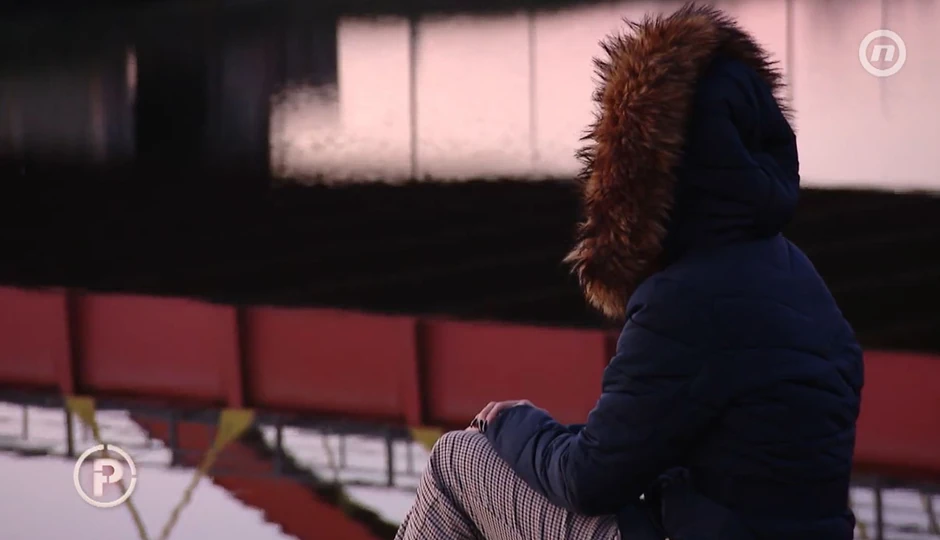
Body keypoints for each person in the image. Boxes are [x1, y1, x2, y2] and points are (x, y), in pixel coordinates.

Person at [394, 3, 864, 539]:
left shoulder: (687, 300)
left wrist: (512, 421)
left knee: (459, 460)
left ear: (639, 164)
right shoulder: (799, 279)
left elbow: (589, 480)